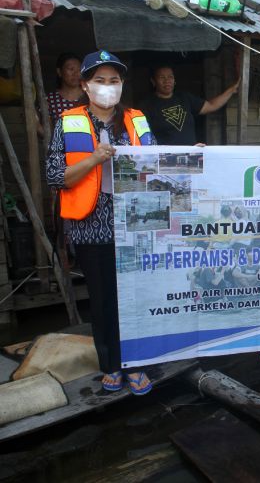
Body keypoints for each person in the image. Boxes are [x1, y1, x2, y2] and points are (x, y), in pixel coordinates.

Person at [46, 50, 156, 395]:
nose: (107, 87)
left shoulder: (136, 119)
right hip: (92, 226)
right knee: (103, 299)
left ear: (122, 85)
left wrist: (191, 155)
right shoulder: (69, 122)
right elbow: (54, 176)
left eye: (114, 81)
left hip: (137, 225)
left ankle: (136, 363)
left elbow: (158, 165)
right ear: (84, 85)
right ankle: (111, 364)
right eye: (99, 81)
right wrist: (94, 159)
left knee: (136, 298)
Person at [140, 64, 240, 145]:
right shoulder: (146, 105)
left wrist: (231, 90)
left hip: (191, 156)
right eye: (162, 77)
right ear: (153, 81)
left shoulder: (184, 98)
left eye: (170, 77)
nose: (167, 80)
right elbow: (144, 137)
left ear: (174, 81)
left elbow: (211, 105)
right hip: (165, 159)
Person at [46, 53, 84, 124]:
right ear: (59, 72)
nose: (76, 74)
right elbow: (49, 132)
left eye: (79, 70)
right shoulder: (50, 100)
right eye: (71, 69)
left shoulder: (90, 98)